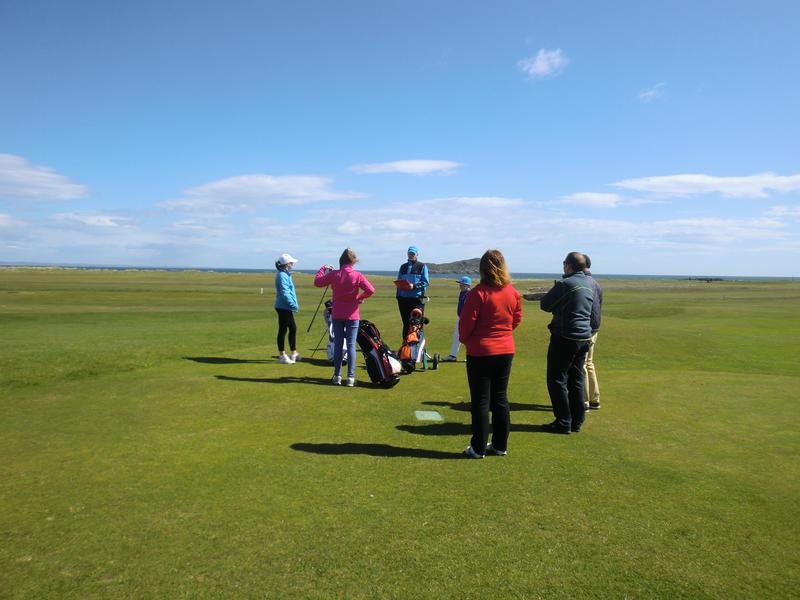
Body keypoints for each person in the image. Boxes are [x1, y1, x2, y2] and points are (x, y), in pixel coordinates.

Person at [459, 250, 522, 458]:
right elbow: (515, 320)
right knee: (500, 398)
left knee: (480, 401)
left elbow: (466, 325)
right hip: (505, 350)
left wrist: (468, 341)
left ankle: (478, 448)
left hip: (480, 351)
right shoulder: (512, 292)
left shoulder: (478, 293)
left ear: (482, 269)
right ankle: (500, 445)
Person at [539, 252, 594, 434]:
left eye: (564, 263)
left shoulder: (565, 284)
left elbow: (545, 305)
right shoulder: (589, 283)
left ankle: (563, 422)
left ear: (569, 265)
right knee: (576, 379)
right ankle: (577, 420)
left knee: (557, 379)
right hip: (584, 337)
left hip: (565, 337)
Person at [314, 248, 375, 386]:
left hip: (337, 314)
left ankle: (337, 376)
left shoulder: (334, 274)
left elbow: (317, 282)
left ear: (341, 260)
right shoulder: (357, 275)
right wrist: (359, 297)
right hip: (352, 315)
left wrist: (323, 269)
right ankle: (351, 378)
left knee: (338, 345)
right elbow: (371, 290)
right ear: (353, 261)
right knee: (351, 345)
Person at [395, 246, 429, 341]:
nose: (411, 255)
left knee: (417, 324)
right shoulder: (403, 266)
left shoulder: (422, 266)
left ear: (417, 254)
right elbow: (399, 281)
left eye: (413, 254)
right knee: (406, 324)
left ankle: (418, 346)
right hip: (403, 299)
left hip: (416, 300)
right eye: (410, 253)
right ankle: (405, 346)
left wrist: (413, 286)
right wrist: (398, 296)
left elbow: (425, 282)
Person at [583, 255, 603, 410]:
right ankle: (594, 399)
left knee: (582, 365)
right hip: (594, 328)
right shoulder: (596, 283)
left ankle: (583, 402)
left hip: (585, 329)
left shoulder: (583, 282)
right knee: (589, 363)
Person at [274, 253, 300, 364]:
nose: (292, 264)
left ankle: (293, 353)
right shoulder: (282, 275)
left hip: (285, 306)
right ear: (287, 264)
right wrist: (293, 305)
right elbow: (285, 293)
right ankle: (282, 356)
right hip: (283, 306)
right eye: (291, 262)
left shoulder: (285, 274)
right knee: (283, 330)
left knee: (292, 328)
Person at [441, 276, 472, 362]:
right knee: (456, 336)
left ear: (468, 285)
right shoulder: (462, 293)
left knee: (468, 337)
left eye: (462, 284)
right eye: (460, 284)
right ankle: (452, 355)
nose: (460, 286)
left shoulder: (470, 294)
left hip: (467, 319)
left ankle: (470, 356)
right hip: (460, 317)